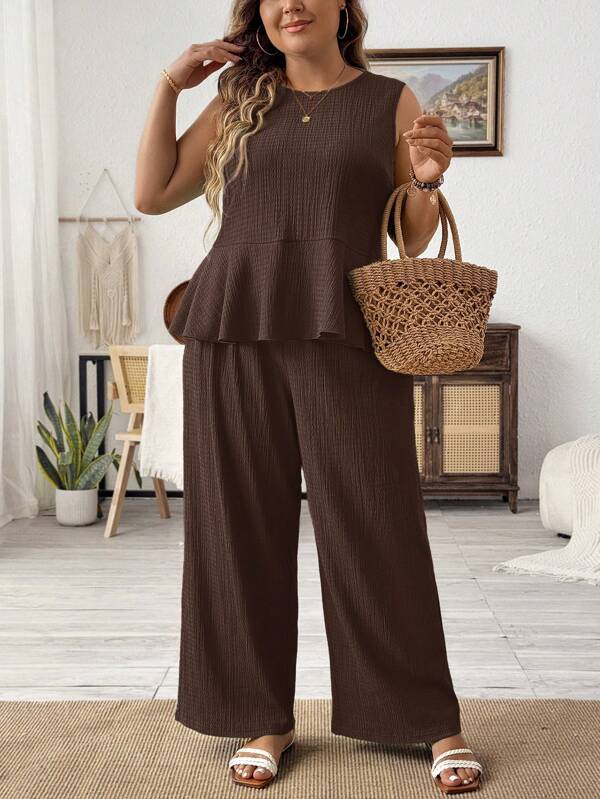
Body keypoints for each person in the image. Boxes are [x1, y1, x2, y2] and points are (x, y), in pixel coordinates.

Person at [135, 1, 483, 793]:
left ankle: (429, 717)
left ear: (342, 8)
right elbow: (152, 193)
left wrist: (428, 179)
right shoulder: (239, 98)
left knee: (377, 522)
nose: (290, 2)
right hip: (233, 327)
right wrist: (169, 86)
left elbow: (411, 235)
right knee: (236, 526)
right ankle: (262, 715)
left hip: (345, 329)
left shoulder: (390, 99)